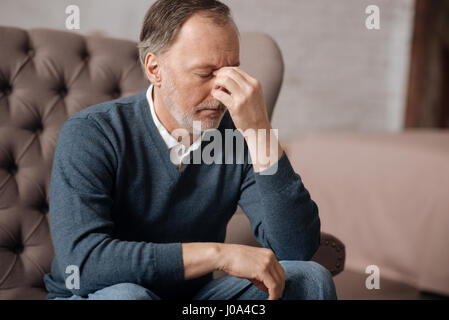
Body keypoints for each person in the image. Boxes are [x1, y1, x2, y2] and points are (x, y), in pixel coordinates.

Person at [43, 0, 337, 300]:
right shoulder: (92, 132)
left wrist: (259, 131)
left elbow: (296, 248)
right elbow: (80, 265)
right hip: (99, 295)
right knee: (129, 297)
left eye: (230, 72)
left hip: (196, 302)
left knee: (308, 279)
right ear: (155, 69)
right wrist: (217, 255)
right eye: (205, 73)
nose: (222, 92)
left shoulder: (238, 137)